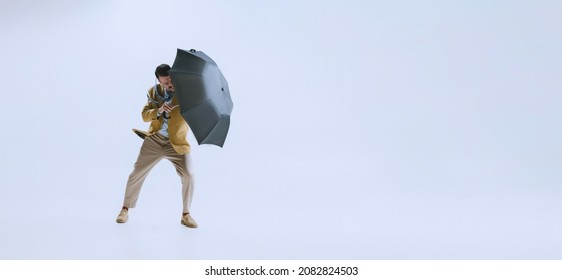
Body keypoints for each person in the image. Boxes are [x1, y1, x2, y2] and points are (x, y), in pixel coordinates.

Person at [116, 64, 198, 228]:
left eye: (170, 81)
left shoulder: (186, 92)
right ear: (159, 82)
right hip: (155, 140)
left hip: (177, 143)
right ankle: (125, 209)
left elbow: (195, 113)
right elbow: (145, 116)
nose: (169, 85)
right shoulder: (154, 92)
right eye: (165, 83)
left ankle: (186, 214)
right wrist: (159, 110)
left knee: (189, 175)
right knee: (136, 173)